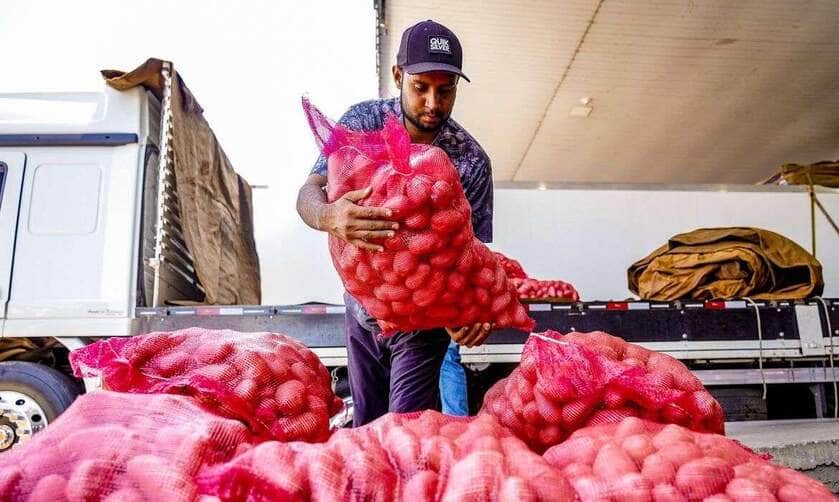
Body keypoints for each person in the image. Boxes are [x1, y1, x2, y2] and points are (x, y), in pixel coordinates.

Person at [296, 19, 493, 426]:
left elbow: (472, 256)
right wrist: (330, 215)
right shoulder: (363, 122)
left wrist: (473, 306)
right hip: (361, 311)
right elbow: (308, 193)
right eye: (421, 87)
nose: (433, 104)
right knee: (368, 429)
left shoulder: (471, 160)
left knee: (405, 432)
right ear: (398, 76)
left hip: (424, 322)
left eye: (446, 90)